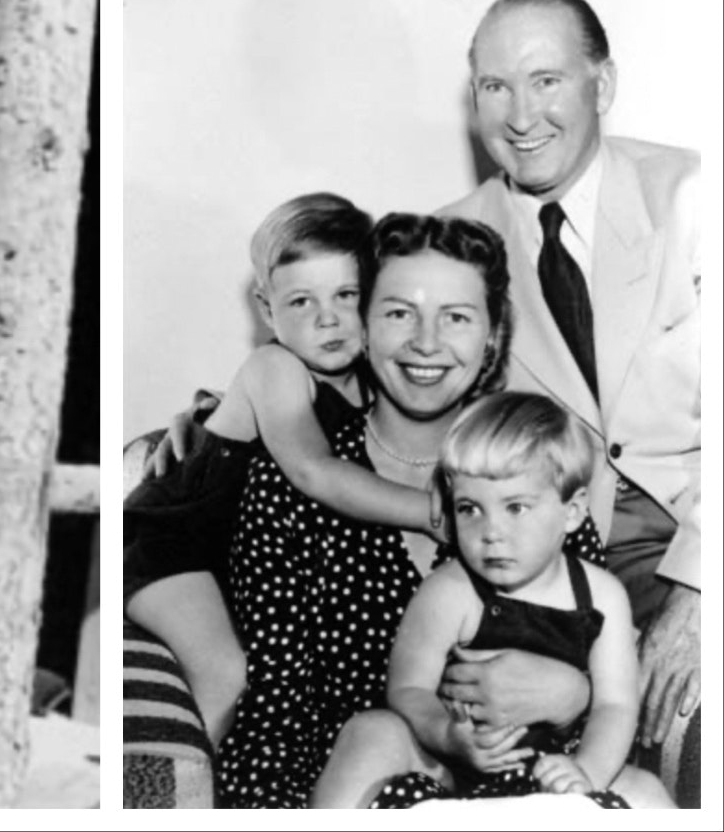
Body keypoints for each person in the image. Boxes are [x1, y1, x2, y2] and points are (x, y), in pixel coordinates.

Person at [208, 212, 609, 807]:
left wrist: (575, 693)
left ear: (493, 335)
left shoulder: (536, 472)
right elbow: (273, 710)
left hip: (530, 787)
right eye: (399, 313)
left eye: (456, 317)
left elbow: (608, 664)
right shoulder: (289, 482)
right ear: (362, 325)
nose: (426, 342)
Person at [439, 0, 699, 757]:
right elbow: (365, 376)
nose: (520, 117)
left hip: (693, 533)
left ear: (603, 84)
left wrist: (697, 593)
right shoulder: (448, 241)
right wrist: (234, 413)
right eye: (495, 86)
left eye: (546, 80)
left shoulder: (692, 195)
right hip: (549, 564)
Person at [123, 193, 445, 748]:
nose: (328, 318)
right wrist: (431, 514)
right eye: (301, 302)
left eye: (347, 295)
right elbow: (314, 471)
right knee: (228, 672)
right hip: (171, 550)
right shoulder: (275, 365)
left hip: (244, 566)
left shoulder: (371, 379)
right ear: (267, 310)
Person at [316, 392, 670, 808]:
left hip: (558, 764)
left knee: (647, 792)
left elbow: (615, 705)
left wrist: (586, 772)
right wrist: (448, 735)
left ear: (572, 514)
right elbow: (408, 688)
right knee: (370, 732)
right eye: (470, 509)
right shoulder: (449, 590)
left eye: (516, 507)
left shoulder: (603, 594)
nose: (491, 532)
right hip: (451, 768)